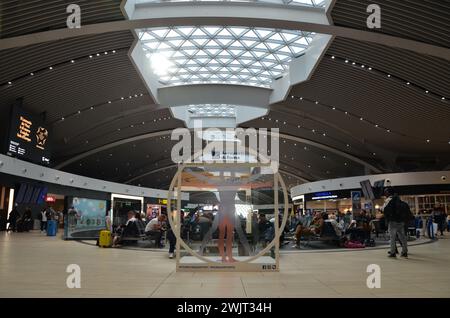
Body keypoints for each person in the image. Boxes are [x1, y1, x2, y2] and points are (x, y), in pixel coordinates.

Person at [382, 187, 408, 258]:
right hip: (401, 221)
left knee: (392, 238)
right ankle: (404, 252)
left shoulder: (388, 200)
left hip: (393, 221)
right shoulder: (398, 199)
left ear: (388, 192)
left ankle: (393, 252)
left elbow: (383, 209)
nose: (385, 193)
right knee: (402, 237)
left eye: (385, 192)